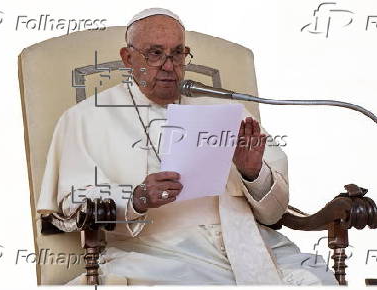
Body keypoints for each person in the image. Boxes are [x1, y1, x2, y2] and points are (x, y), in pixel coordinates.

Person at [36, 8, 338, 286]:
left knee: (312, 278)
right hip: (156, 252)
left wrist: (252, 173)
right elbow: (73, 204)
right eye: (155, 54)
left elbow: (274, 214)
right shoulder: (84, 118)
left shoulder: (225, 111)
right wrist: (137, 198)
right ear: (128, 59)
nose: (169, 66)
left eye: (178, 53)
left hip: (246, 241)